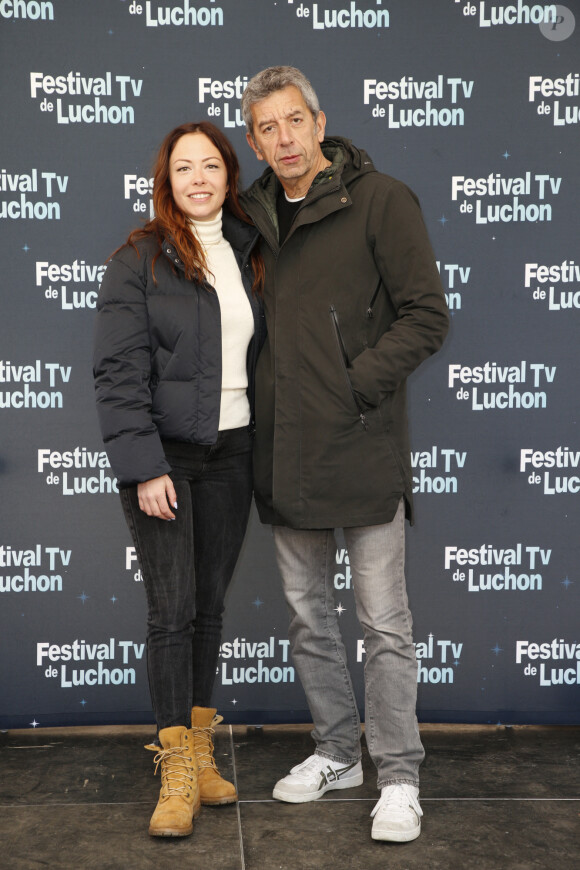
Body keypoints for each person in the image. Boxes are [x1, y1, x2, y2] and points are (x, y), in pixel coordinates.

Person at [240, 67, 449, 843]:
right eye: (268, 127)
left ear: (319, 122)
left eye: (295, 120)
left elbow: (427, 315)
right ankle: (337, 752)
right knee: (308, 619)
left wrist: (355, 386)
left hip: (360, 447)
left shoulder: (383, 200)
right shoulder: (253, 214)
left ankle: (397, 775)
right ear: (254, 140)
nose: (285, 138)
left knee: (384, 624)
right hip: (285, 447)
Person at [93, 121, 264, 838]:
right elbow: (118, 371)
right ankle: (174, 767)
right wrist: (143, 468)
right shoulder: (139, 258)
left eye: (211, 166)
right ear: (166, 179)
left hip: (235, 453)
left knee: (210, 610)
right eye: (183, 168)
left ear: (229, 174)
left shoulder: (252, 251)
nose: (198, 179)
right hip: (165, 459)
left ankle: (199, 747)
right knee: (173, 611)